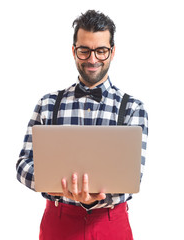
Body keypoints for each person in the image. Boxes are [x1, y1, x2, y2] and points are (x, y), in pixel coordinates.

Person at [16, 10, 148, 240]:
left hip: (111, 223)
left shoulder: (133, 108)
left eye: (101, 51)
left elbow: (132, 178)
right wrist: (53, 184)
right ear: (74, 51)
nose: (92, 59)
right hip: (58, 222)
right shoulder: (47, 104)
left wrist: (97, 196)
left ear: (112, 52)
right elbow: (22, 164)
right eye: (84, 50)